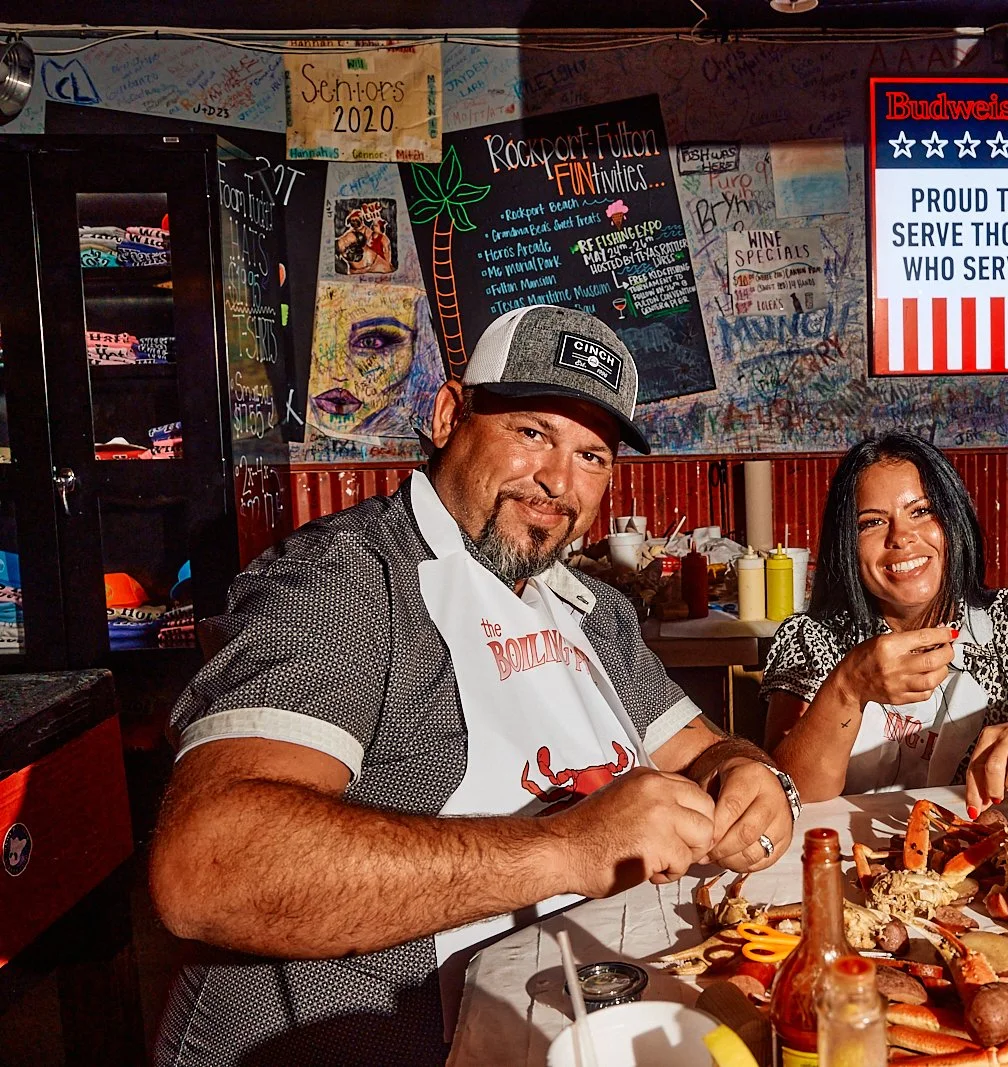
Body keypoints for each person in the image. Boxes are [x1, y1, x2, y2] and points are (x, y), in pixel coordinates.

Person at [148, 305, 801, 1066]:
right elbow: (206, 865)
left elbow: (705, 753)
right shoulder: (343, 584)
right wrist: (565, 848)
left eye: (593, 455)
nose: (560, 482)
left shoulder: (592, 608)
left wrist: (747, 772)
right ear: (450, 414)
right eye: (533, 433)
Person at [761, 432, 1008, 812]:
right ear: (846, 542)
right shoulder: (811, 640)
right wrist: (847, 687)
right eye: (872, 522)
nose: (901, 536)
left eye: (921, 512)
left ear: (953, 523)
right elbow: (790, 795)